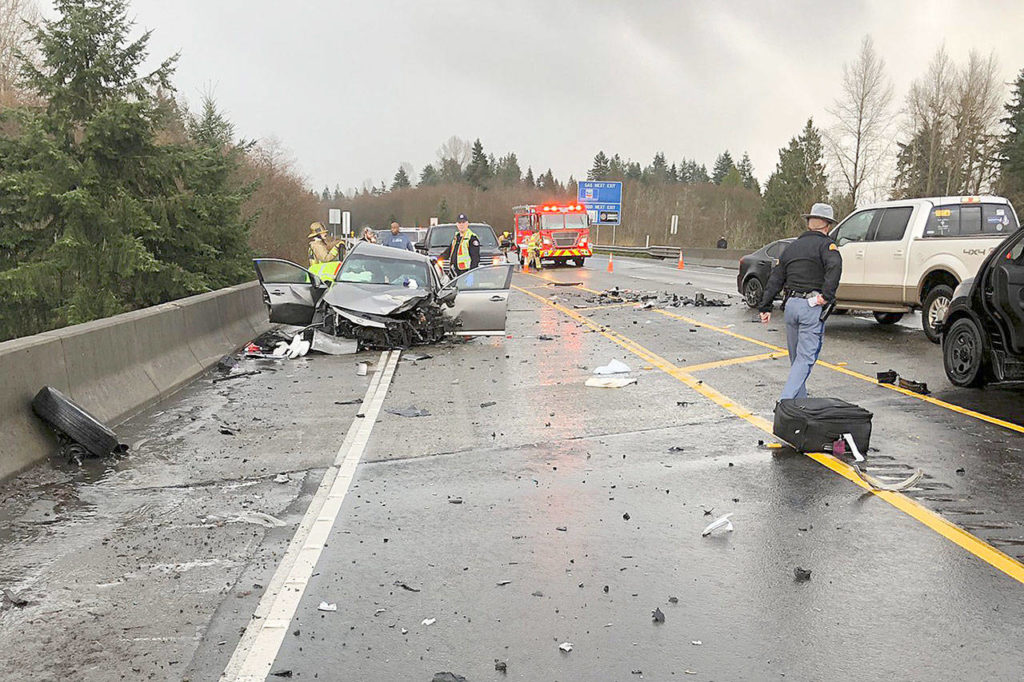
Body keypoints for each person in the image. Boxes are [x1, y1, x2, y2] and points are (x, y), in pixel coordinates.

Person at [758, 203, 842, 401]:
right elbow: (835, 267)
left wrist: (765, 306)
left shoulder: (791, 247)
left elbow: (776, 277)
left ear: (808, 223)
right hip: (811, 305)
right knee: (805, 359)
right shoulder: (826, 246)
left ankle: (800, 403)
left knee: (796, 360)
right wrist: (826, 296)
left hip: (791, 306)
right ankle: (786, 402)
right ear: (827, 226)